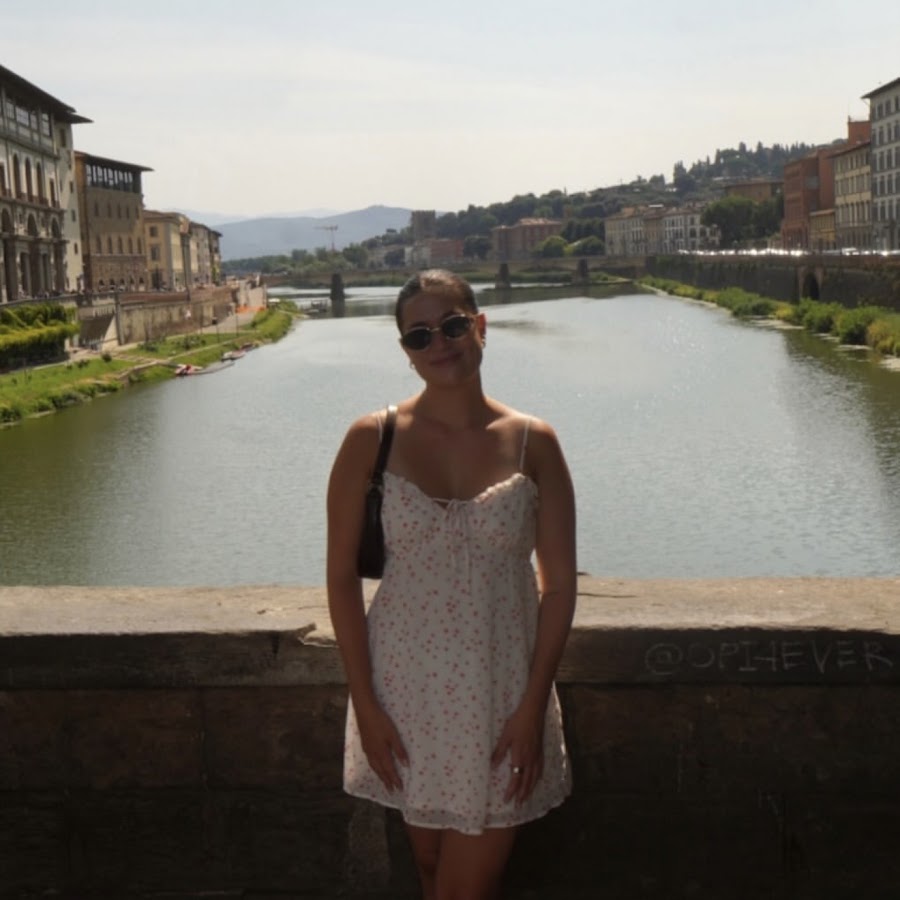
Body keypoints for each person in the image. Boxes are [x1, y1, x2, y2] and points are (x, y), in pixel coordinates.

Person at [327, 269, 577, 900]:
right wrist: (366, 705)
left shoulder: (534, 443)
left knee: (464, 889)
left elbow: (558, 587)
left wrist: (532, 709)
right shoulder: (370, 440)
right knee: (432, 867)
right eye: (419, 335)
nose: (439, 343)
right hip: (404, 696)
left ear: (481, 326)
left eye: (453, 325)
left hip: (501, 697)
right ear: (406, 352)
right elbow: (340, 580)